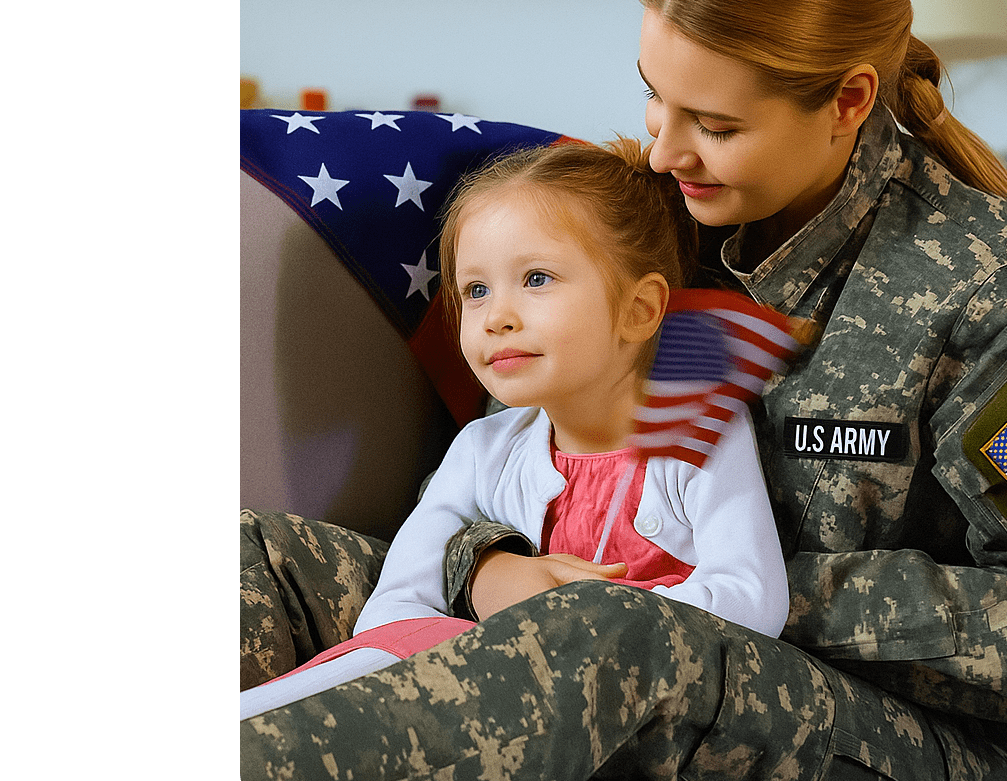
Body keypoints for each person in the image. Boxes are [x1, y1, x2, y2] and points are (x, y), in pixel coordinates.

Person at [241, 0, 1007, 781]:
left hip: (888, 735)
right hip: (570, 620)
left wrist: (735, 585)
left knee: (610, 637)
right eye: (654, 97)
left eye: (716, 127)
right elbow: (514, 446)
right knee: (257, 554)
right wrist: (486, 565)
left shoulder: (987, 292)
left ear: (847, 100)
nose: (667, 151)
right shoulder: (648, 213)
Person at [240, 136, 790, 721]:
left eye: (536, 279)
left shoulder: (699, 433)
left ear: (640, 309)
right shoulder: (482, 450)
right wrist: (488, 590)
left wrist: (591, 619)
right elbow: (396, 606)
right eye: (476, 290)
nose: (496, 317)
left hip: (626, 716)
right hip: (471, 693)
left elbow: (753, 599)